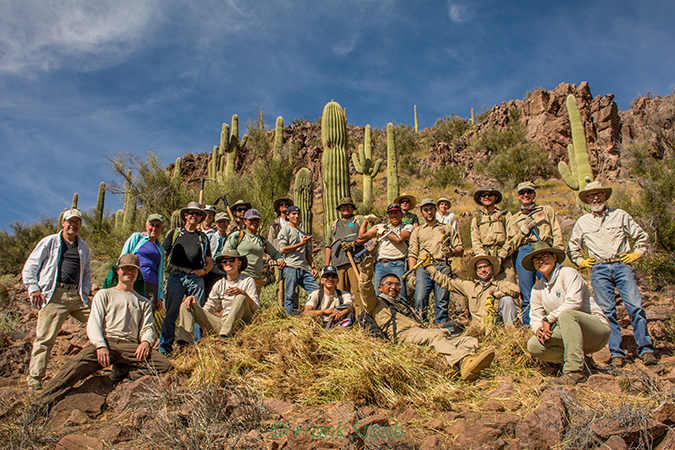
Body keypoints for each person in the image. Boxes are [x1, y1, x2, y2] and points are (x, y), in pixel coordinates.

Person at [27, 254, 172, 412]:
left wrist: (145, 342)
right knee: (73, 368)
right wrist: (100, 345)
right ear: (118, 271)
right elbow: (94, 323)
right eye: (125, 269)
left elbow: (147, 327)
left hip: (131, 346)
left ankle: (124, 372)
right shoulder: (104, 294)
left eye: (133, 270)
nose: (129, 272)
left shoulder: (142, 301)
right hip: (106, 343)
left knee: (164, 365)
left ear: (137, 273)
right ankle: (39, 405)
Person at [358, 256, 495, 381]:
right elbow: (365, 287)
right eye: (389, 284)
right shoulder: (375, 303)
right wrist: (368, 265)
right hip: (403, 336)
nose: (393, 287)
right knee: (434, 336)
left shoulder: (404, 306)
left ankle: (462, 367)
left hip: (420, 333)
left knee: (469, 340)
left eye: (397, 285)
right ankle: (462, 362)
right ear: (380, 288)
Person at [567, 181, 656, 367]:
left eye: (599, 194)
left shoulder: (620, 215)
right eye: (591, 196)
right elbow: (572, 247)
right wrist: (580, 261)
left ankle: (646, 349)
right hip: (599, 268)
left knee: (635, 307)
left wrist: (637, 253)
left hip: (621, 265)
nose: (596, 198)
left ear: (605, 196)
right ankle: (616, 352)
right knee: (607, 312)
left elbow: (642, 236)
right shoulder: (583, 222)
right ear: (587, 199)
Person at [22, 208, 92, 390]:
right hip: (55, 294)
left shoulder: (83, 246)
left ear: (80, 225)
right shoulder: (50, 242)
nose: (73, 225)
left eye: (76, 222)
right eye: (70, 221)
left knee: (100, 322)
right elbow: (30, 266)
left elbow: (86, 272)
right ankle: (35, 379)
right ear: (63, 222)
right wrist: (34, 288)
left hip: (77, 296)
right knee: (45, 338)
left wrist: (85, 292)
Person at [524, 241, 611, 385]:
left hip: (595, 331)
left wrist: (548, 319)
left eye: (545, 257)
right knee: (534, 345)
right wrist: (538, 328)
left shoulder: (568, 273)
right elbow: (535, 316)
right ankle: (582, 361)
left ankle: (574, 372)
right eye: (536, 260)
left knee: (567, 315)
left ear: (554, 257)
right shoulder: (537, 289)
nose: (541, 262)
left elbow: (574, 303)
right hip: (569, 333)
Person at [505, 181, 563, 326]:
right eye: (522, 193)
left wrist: (558, 251)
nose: (526, 195)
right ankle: (529, 328)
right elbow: (511, 243)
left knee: (552, 288)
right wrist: (522, 231)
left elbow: (556, 231)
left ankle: (557, 325)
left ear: (534, 194)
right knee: (527, 294)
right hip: (524, 251)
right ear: (518, 196)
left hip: (544, 250)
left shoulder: (546, 210)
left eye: (529, 192)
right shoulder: (514, 218)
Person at [160, 202, 213, 354]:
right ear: (185, 215)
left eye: (197, 214)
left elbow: (209, 261)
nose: (194, 216)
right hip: (176, 275)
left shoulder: (202, 237)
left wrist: (203, 271)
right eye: (191, 213)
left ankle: (195, 346)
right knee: (171, 311)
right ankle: (165, 348)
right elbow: (163, 252)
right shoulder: (175, 233)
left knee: (196, 310)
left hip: (195, 277)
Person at [176, 250, 259, 343]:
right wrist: (195, 305)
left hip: (241, 322)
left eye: (231, 260)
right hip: (223, 323)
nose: (228, 263)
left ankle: (224, 338)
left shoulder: (248, 281)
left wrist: (243, 293)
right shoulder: (219, 284)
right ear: (222, 265)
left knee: (240, 298)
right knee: (187, 303)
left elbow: (256, 309)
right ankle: (184, 343)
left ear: (239, 263)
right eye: (225, 261)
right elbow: (209, 308)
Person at [408, 198, 463, 324]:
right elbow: (412, 254)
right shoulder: (417, 231)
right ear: (421, 213)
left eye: (431, 209)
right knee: (420, 299)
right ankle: (422, 327)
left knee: (442, 300)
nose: (429, 212)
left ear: (435, 210)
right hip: (423, 268)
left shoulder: (447, 228)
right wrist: (412, 273)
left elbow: (460, 248)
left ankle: (441, 328)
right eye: (425, 210)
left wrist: (452, 252)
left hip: (442, 266)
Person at [425, 254, 520, 327]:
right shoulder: (470, 287)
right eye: (479, 268)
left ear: (491, 267)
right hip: (478, 330)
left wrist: (495, 295)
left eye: (485, 266)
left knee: (507, 300)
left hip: (497, 329)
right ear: (476, 271)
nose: (483, 270)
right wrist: (429, 267)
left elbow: (516, 289)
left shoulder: (500, 284)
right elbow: (447, 282)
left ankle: (510, 333)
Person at [358, 203, 413, 301]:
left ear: (401, 214)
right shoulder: (382, 226)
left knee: (399, 296)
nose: (393, 215)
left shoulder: (407, 227)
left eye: (396, 212)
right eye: (391, 213)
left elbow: (399, 239)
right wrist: (366, 220)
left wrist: (383, 232)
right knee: (378, 296)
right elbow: (362, 236)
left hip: (398, 263)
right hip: (380, 265)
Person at [224, 208, 285, 294]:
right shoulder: (237, 236)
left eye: (257, 220)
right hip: (239, 277)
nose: (254, 222)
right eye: (251, 220)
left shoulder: (261, 240)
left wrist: (279, 259)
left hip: (256, 279)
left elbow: (275, 253)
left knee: (253, 305)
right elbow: (225, 253)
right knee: (237, 303)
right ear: (245, 221)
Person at [325, 197, 366, 314]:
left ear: (353, 208)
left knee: (358, 291)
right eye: (343, 207)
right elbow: (328, 245)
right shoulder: (333, 225)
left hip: (356, 261)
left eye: (348, 206)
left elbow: (368, 236)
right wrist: (327, 265)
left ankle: (361, 318)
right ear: (339, 209)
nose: (345, 209)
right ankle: (344, 319)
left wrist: (354, 243)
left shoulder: (359, 220)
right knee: (341, 293)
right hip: (339, 264)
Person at [119, 213, 166, 312]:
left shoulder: (160, 249)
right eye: (151, 225)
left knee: (147, 317)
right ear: (146, 226)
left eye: (157, 226)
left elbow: (161, 273)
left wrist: (159, 297)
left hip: (152, 285)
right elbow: (123, 258)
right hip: (135, 282)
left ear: (162, 229)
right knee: (130, 314)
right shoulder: (137, 238)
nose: (154, 228)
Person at [470, 187, 516, 284]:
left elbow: (511, 237)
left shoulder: (505, 215)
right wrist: (484, 259)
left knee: (509, 290)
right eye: (484, 195)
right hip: (484, 261)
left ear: (495, 198)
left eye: (490, 195)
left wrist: (501, 256)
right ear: (480, 199)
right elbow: (475, 241)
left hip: (504, 260)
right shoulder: (477, 219)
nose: (487, 197)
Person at [278, 206, 319, 315]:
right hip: (290, 267)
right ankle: (288, 319)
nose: (296, 216)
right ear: (288, 216)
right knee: (290, 296)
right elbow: (283, 249)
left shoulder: (303, 233)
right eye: (293, 214)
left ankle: (316, 315)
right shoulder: (285, 230)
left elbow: (308, 254)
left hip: (303, 268)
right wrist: (301, 244)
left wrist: (313, 267)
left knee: (317, 291)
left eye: (298, 214)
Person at [204, 212, 230, 298]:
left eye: (224, 221)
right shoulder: (209, 237)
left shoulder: (231, 239)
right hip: (210, 273)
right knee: (208, 297)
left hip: (224, 273)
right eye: (219, 222)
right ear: (216, 224)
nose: (222, 224)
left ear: (228, 223)